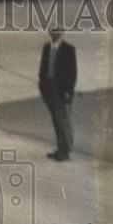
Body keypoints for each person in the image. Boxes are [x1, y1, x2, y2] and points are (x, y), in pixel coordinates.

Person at [38, 28, 77, 162]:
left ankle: (65, 151)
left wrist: (68, 91)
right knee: (56, 119)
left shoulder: (69, 49)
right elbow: (42, 68)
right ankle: (60, 148)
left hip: (62, 89)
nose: (54, 33)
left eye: (57, 31)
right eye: (52, 31)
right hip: (48, 87)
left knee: (63, 120)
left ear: (62, 33)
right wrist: (42, 84)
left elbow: (72, 72)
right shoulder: (47, 47)